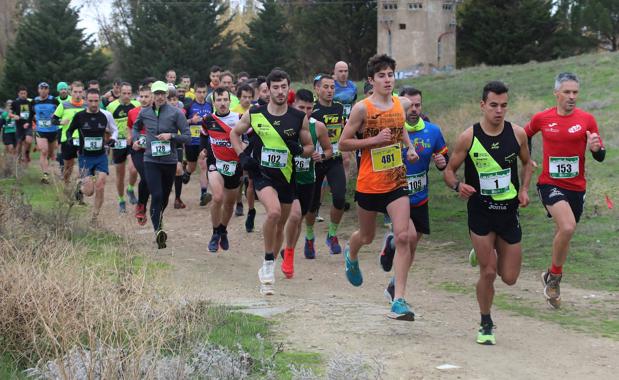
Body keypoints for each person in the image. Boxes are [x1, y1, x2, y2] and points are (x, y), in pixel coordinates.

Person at [443, 81, 533, 345]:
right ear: (483, 105)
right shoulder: (468, 137)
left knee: (510, 278)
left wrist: (525, 189)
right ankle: (485, 322)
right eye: (493, 105)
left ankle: (483, 251)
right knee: (489, 272)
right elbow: (449, 171)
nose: (499, 111)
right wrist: (458, 186)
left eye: (504, 106)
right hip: (481, 212)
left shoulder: (517, 134)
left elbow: (528, 164)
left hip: (508, 213)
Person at [338, 54, 419, 321]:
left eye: (390, 75)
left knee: (405, 236)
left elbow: (399, 126)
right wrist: (373, 141)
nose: (387, 80)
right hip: (370, 184)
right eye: (381, 76)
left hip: (396, 181)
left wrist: (408, 147)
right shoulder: (362, 108)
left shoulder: (402, 103)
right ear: (371, 80)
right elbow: (344, 143)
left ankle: (399, 300)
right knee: (367, 236)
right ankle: (352, 253)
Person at [525, 72, 606, 309]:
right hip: (550, 183)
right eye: (567, 92)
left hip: (576, 188)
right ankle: (556, 280)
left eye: (575, 92)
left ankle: (550, 274)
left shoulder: (587, 119)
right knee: (567, 226)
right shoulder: (542, 118)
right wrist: (527, 158)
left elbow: (600, 156)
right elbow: (524, 135)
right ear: (556, 94)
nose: (572, 97)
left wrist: (595, 149)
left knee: (566, 231)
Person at [230, 69, 313, 295]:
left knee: (280, 225)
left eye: (283, 87)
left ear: (289, 88)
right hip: (262, 175)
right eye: (274, 87)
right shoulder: (255, 113)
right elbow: (234, 134)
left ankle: (270, 265)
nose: (279, 91)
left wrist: (300, 150)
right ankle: (267, 263)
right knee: (274, 213)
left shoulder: (298, 118)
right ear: (267, 90)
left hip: (286, 177)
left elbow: (309, 148)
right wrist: (242, 156)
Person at [380, 87, 449, 301]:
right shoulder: (390, 130)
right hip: (395, 195)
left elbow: (443, 158)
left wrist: (441, 162)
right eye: (409, 105)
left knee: (411, 245)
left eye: (417, 105)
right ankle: (399, 293)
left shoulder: (433, 131)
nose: (414, 109)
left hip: (420, 197)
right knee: (407, 237)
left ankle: (394, 280)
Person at [280, 89, 333, 278]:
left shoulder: (318, 127)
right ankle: (287, 255)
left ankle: (289, 251)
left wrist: (322, 156)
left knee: (299, 219)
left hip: (308, 179)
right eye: (301, 107)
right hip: (288, 177)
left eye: (309, 108)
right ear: (294, 105)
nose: (305, 111)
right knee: (294, 216)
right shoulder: (284, 123)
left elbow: (329, 150)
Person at [133, 81, 191, 249]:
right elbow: (136, 127)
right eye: (156, 93)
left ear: (167, 95)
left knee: (164, 198)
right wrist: (137, 139)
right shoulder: (144, 113)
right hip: (150, 160)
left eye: (162, 94)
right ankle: (158, 231)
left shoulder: (176, 113)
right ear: (152, 94)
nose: (159, 97)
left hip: (169, 161)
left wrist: (171, 136)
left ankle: (158, 217)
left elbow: (187, 136)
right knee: (156, 195)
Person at [304, 74, 347, 257]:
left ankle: (331, 234)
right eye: (326, 87)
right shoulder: (311, 110)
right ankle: (309, 236)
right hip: (314, 161)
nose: (330, 90)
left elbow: (344, 127)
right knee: (312, 205)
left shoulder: (339, 107)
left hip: (334, 158)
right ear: (317, 89)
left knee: (339, 198)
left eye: (332, 87)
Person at [201, 88, 243, 252]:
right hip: (215, 165)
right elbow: (204, 135)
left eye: (225, 99)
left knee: (230, 203)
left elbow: (250, 135)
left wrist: (245, 147)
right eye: (219, 100)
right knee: (218, 197)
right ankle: (214, 233)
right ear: (213, 102)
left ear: (230, 101)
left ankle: (223, 230)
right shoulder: (208, 120)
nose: (223, 103)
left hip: (234, 166)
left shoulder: (238, 118)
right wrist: (204, 149)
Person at [67, 88, 118, 222]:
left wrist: (113, 139)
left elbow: (114, 130)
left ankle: (94, 218)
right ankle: (80, 189)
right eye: (91, 101)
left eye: (96, 101)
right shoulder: (79, 116)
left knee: (100, 185)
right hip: (85, 156)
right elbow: (69, 131)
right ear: (86, 100)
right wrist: (70, 140)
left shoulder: (105, 115)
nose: (94, 104)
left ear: (100, 101)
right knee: (89, 191)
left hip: (101, 156)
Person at [106, 82, 141, 212]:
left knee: (133, 169)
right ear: (119, 92)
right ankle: (121, 200)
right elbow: (107, 126)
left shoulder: (137, 105)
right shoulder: (111, 106)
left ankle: (130, 189)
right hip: (118, 143)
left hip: (132, 142)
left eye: (129, 93)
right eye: (124, 93)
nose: (126, 96)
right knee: (120, 174)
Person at [183, 81, 213, 207]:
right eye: (199, 92)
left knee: (203, 166)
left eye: (204, 92)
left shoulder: (210, 106)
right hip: (191, 142)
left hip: (204, 141)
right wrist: (191, 120)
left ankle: (203, 194)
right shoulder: (189, 106)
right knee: (192, 166)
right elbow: (180, 121)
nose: (201, 95)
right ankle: (188, 172)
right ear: (194, 93)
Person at [129, 83, 153, 226]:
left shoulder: (157, 112)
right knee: (145, 175)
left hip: (153, 149)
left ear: (152, 97)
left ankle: (143, 204)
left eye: (147, 96)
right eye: (141, 96)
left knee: (151, 178)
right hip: (138, 149)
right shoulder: (133, 112)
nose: (143, 99)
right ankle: (141, 205)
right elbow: (130, 127)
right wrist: (132, 139)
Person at [33, 82, 58, 183]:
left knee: (51, 153)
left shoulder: (53, 100)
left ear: (48, 90)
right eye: (41, 88)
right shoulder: (34, 101)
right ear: (38, 90)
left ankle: (47, 165)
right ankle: (45, 175)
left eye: (45, 88)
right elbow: (31, 114)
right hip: (40, 130)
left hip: (52, 130)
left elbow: (61, 111)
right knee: (44, 151)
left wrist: (55, 115)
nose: (43, 90)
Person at [10, 86, 34, 165]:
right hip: (19, 126)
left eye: (24, 93)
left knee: (29, 140)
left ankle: (26, 153)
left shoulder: (30, 102)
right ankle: (19, 160)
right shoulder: (15, 103)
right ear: (18, 94)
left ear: (26, 94)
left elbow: (33, 114)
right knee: (19, 143)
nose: (23, 95)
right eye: (21, 93)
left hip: (28, 124)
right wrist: (14, 116)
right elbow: (9, 114)